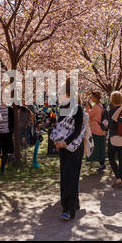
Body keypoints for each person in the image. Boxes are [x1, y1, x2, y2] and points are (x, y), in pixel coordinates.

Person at [50, 79, 85, 220]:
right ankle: (73, 203)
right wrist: (57, 142)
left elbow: (77, 130)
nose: (59, 96)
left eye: (61, 94)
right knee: (65, 176)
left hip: (74, 147)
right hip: (63, 147)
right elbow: (60, 129)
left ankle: (67, 209)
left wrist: (65, 142)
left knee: (70, 177)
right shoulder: (63, 109)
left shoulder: (77, 108)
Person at [107, 91, 122, 189]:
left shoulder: (111, 111)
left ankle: (118, 178)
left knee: (111, 158)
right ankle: (121, 178)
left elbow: (110, 125)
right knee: (121, 159)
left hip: (114, 137)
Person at [85, 91, 106, 171]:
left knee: (94, 146)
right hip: (101, 129)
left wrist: (87, 106)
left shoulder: (95, 107)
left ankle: (97, 161)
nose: (91, 98)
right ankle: (102, 163)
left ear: (95, 97)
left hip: (94, 128)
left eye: (92, 96)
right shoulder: (100, 105)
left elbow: (87, 115)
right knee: (100, 147)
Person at [0, 103, 14, 175]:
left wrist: (11, 131)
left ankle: (2, 169)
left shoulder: (10, 108)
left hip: (6, 133)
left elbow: (12, 121)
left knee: (5, 151)